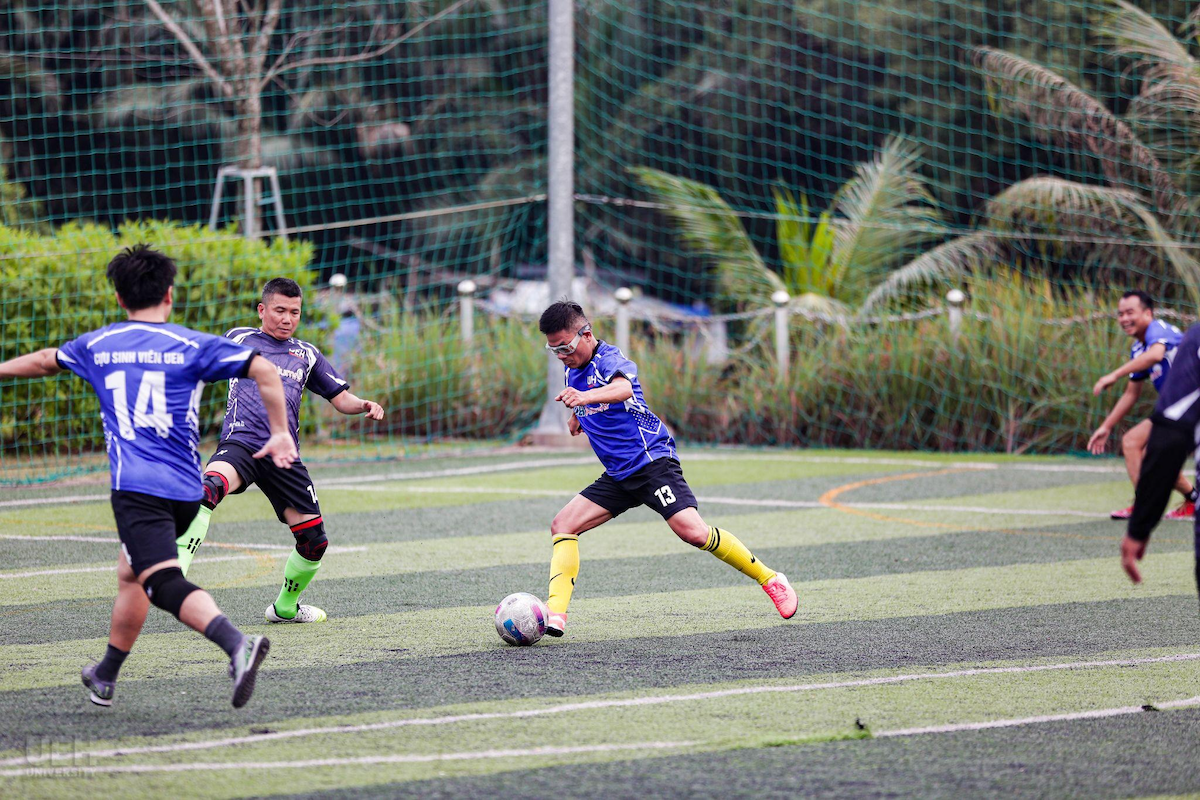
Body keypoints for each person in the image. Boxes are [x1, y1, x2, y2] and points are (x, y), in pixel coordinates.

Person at [0, 244, 297, 708]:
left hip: (138, 489)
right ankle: (106, 674)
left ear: (119, 298)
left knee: (161, 581)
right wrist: (280, 431)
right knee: (131, 573)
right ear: (169, 294)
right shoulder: (192, 344)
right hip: (188, 490)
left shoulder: (99, 345)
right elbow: (262, 367)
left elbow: (42, 360)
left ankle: (236, 644)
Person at [538, 300, 797, 637]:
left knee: (694, 533)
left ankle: (771, 579)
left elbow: (622, 389)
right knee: (563, 525)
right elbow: (586, 394)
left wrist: (584, 400)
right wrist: (578, 417)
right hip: (619, 475)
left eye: (565, 347)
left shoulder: (609, 359)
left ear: (586, 334)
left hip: (652, 463)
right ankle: (555, 614)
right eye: (554, 350)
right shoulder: (572, 367)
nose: (561, 355)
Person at [176, 277, 384, 624]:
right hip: (242, 443)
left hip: (284, 454)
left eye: (295, 312)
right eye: (280, 310)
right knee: (206, 490)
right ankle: (174, 572)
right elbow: (201, 368)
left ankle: (285, 608)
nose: (287, 319)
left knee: (314, 542)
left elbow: (340, 398)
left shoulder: (306, 354)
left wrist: (363, 404)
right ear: (262, 310)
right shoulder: (240, 339)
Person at [1088, 290, 1195, 520]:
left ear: (1148, 313)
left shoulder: (1159, 329)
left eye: (1130, 312)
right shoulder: (1138, 349)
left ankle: (1146, 507)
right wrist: (1106, 426)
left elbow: (1155, 355)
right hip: (1176, 409)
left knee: (1155, 455)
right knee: (1133, 443)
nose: (1124, 319)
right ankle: (1189, 500)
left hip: (1192, 404)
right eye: (1120, 314)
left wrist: (1113, 375)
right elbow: (1131, 394)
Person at [1120, 322, 1200, 601]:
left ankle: (1187, 497)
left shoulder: (1192, 339)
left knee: (1136, 443)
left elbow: (1169, 440)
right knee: (1133, 441)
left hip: (1174, 424)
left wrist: (1140, 526)